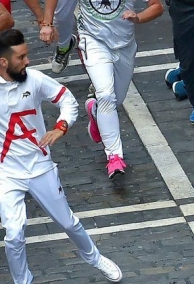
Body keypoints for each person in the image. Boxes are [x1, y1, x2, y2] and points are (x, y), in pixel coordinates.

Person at [0, 29, 123, 284]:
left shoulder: (35, 80)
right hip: (7, 173)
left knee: (68, 222)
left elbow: (67, 99)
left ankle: (96, 258)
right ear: (4, 62)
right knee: (14, 234)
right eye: (21, 57)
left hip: (41, 167)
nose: (28, 61)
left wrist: (61, 126)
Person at [41, 0, 164, 180]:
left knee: (116, 100)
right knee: (106, 95)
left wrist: (138, 17)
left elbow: (157, 7)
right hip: (92, 41)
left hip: (125, 44)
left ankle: (95, 110)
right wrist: (46, 24)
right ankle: (114, 156)